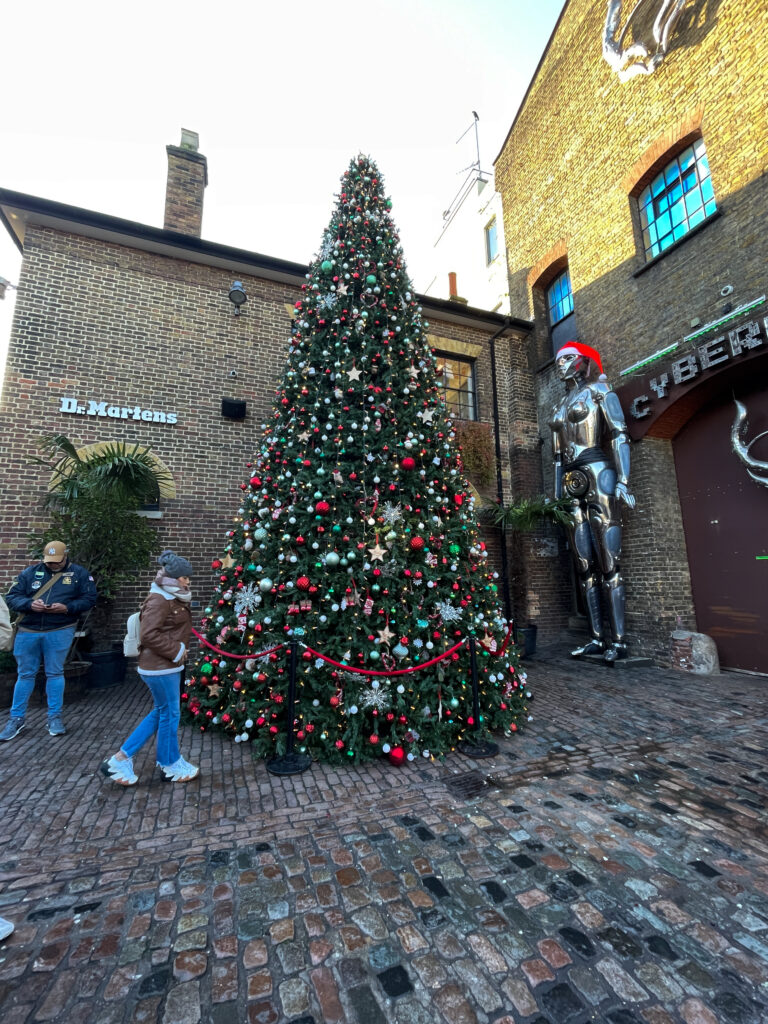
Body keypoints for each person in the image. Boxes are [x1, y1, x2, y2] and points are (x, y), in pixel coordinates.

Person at [549, 341, 636, 663]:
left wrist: (624, 479)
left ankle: (620, 641)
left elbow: (618, 433)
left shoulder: (600, 390)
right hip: (571, 479)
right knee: (584, 565)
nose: (562, 365)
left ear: (583, 361)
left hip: (598, 470)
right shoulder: (559, 405)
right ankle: (597, 637)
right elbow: (557, 456)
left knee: (610, 561)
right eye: (558, 360)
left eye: (568, 358)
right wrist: (557, 493)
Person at [100, 550, 199, 785]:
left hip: (164, 666)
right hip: (160, 666)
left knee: (162, 711)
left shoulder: (169, 595)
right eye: (185, 578)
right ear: (175, 578)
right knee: (170, 713)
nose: (188, 582)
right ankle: (169, 763)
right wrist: (176, 650)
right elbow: (149, 634)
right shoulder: (160, 599)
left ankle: (122, 758)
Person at [0, 541, 97, 740]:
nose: (52, 565)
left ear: (65, 556)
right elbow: (12, 597)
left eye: (56, 561)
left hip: (60, 629)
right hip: (29, 629)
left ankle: (55, 717)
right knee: (25, 674)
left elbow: (89, 599)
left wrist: (67, 608)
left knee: (55, 673)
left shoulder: (79, 574)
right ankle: (16, 719)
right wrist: (29, 604)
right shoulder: (29, 573)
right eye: (49, 561)